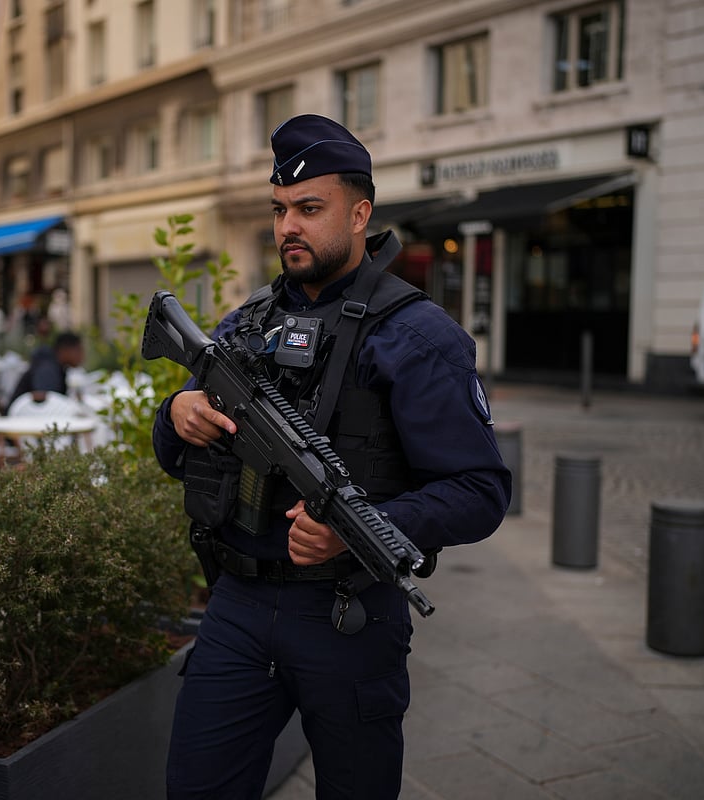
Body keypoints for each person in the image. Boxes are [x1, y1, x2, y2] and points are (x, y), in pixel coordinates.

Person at [151, 114, 512, 799]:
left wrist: (359, 527)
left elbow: (482, 489)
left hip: (349, 617)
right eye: (281, 209)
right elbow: (177, 456)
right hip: (236, 606)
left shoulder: (419, 338)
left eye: (310, 209)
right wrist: (174, 415)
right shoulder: (245, 324)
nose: (289, 225)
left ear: (360, 214)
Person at [10, 330, 84, 406]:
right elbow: (46, 405)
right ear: (65, 350)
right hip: (20, 416)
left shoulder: (54, 366)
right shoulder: (47, 370)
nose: (82, 355)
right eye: (79, 350)